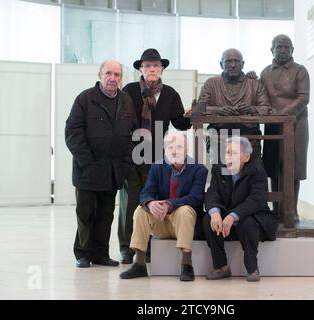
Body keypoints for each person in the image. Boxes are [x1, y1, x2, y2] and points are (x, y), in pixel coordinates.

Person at [118, 48, 192, 264]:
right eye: (148, 66)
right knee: (130, 202)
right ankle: (127, 248)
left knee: (152, 201)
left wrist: (188, 116)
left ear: (161, 69)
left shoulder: (170, 94)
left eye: (156, 66)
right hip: (131, 154)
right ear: (141, 69)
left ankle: (147, 246)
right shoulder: (129, 90)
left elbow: (178, 122)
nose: (152, 69)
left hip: (158, 156)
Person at [65, 60, 137, 268]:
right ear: (100, 74)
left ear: (121, 78)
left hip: (113, 170)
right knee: (86, 213)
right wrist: (87, 162)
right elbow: (72, 132)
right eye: (108, 73)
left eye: (117, 74)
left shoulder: (126, 101)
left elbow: (132, 134)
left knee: (106, 214)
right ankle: (83, 253)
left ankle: (100, 254)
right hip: (87, 170)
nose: (112, 78)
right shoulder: (85, 99)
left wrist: (125, 161)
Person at [119, 132, 208, 281]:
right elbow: (146, 193)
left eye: (179, 147)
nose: (174, 151)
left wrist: (169, 204)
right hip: (162, 223)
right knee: (141, 210)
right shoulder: (157, 167)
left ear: (186, 150)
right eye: (170, 147)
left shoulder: (199, 170)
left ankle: (186, 264)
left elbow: (196, 198)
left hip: (185, 225)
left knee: (185, 210)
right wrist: (151, 203)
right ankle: (139, 263)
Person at [203, 137, 278, 282]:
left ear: (246, 157)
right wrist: (215, 213)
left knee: (247, 222)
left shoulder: (257, 172)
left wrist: (233, 216)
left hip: (252, 218)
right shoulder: (219, 170)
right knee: (208, 219)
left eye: (234, 153)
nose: (228, 157)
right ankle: (221, 267)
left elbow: (256, 200)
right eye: (227, 153)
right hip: (226, 221)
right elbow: (212, 195)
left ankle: (252, 268)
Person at [260, 35, 310, 222]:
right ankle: (276, 209)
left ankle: (291, 209)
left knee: (292, 167)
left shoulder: (300, 71)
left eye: (286, 47)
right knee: (273, 166)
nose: (282, 50)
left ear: (292, 50)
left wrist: (284, 114)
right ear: (271, 49)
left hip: (296, 125)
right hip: (273, 125)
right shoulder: (265, 72)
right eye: (278, 47)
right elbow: (261, 96)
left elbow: (304, 97)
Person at [198, 48, 272, 164]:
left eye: (236, 61)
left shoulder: (255, 84)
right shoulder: (211, 84)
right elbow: (200, 108)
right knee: (222, 174)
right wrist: (218, 110)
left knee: (252, 172)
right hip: (219, 135)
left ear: (243, 64)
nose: (233, 65)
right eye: (228, 61)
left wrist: (252, 109)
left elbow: (266, 108)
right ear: (221, 64)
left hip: (248, 135)